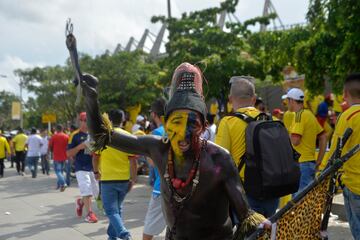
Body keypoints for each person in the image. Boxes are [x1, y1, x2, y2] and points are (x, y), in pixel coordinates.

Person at [80, 63, 265, 240]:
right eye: (177, 122)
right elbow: (101, 135)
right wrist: (91, 100)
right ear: (166, 123)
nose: (183, 134)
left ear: (203, 127)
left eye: (192, 123)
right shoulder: (157, 148)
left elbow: (246, 217)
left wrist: (262, 225)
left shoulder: (220, 159)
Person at [215, 76, 279, 218]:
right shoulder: (272, 120)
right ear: (254, 99)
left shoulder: (227, 122)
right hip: (274, 191)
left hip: (246, 194)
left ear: (230, 99)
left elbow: (219, 161)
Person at [325, 73, 360, 238]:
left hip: (355, 186)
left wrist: (321, 174)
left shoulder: (348, 116)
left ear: (345, 94)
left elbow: (334, 153)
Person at [93, 109, 136, 240]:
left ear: (109, 120)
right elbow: (133, 161)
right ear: (123, 120)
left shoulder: (103, 136)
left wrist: (96, 172)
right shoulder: (128, 136)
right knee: (117, 209)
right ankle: (112, 237)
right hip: (123, 180)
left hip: (107, 180)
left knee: (111, 210)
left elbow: (95, 157)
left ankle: (123, 233)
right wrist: (133, 179)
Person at [286, 88, 327, 194]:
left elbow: (295, 140)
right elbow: (323, 136)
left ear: (291, 100)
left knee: (298, 203)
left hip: (301, 165)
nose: (287, 104)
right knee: (306, 203)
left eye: (287, 101)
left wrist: (284, 136)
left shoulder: (298, 115)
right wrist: (319, 160)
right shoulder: (309, 114)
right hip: (309, 164)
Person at [67, 112, 98, 223]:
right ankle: (89, 214)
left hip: (93, 167)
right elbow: (68, 153)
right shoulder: (75, 135)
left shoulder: (94, 134)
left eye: (88, 121)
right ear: (80, 121)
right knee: (87, 190)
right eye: (84, 120)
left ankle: (81, 203)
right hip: (81, 166)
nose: (86, 123)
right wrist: (80, 147)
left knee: (96, 191)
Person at [143, 98, 167, 240]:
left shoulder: (156, 134)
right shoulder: (178, 130)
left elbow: (152, 162)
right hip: (182, 188)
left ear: (153, 114)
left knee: (149, 228)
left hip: (161, 187)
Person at [49, 124, 69, 191]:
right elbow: (68, 146)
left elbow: (50, 146)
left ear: (56, 129)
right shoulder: (66, 136)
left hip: (57, 156)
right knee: (61, 172)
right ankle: (59, 185)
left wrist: (48, 153)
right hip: (64, 156)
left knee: (58, 171)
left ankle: (63, 183)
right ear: (62, 129)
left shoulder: (54, 137)